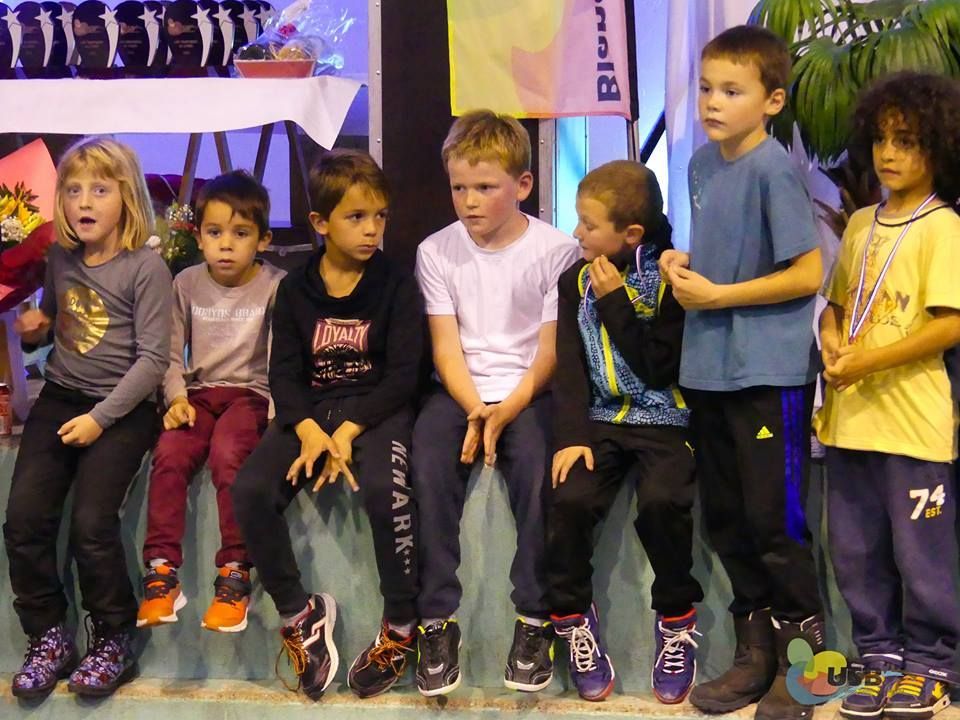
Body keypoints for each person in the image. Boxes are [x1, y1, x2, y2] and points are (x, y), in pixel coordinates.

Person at [660, 25, 825, 720]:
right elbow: (718, 257)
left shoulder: (773, 169)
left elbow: (808, 273)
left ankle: (807, 668)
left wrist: (721, 296)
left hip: (767, 373)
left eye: (732, 91)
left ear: (772, 101)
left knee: (775, 522)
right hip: (708, 370)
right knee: (727, 521)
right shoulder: (700, 164)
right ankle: (755, 656)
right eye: (706, 88)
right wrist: (681, 264)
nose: (712, 102)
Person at [231, 149, 423, 700]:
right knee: (250, 490)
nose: (371, 230)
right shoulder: (295, 289)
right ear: (320, 222)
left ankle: (401, 626)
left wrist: (350, 428)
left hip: (376, 410)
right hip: (311, 414)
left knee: (387, 492)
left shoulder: (396, 283)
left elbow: (405, 375)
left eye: (379, 216)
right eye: (356, 217)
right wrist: (309, 429)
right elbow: (283, 372)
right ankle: (300, 616)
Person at [412, 109, 579, 696]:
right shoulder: (436, 251)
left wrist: (507, 408)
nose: (470, 201)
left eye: (485, 187)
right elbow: (446, 348)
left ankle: (534, 619)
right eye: (459, 188)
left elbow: (550, 352)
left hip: (528, 391)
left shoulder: (558, 250)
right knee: (426, 466)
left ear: (522, 185)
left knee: (538, 470)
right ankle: (436, 621)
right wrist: (475, 409)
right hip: (460, 393)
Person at [814, 71, 960, 720]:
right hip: (850, 423)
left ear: (940, 147)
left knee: (921, 556)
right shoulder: (859, 224)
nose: (888, 153)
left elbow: (950, 323)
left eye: (906, 140)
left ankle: (934, 663)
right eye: (880, 138)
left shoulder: (943, 227)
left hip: (914, 427)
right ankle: (880, 657)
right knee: (856, 553)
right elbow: (836, 304)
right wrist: (832, 341)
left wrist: (867, 360)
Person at [4, 137, 171, 698]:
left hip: (123, 408)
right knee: (24, 519)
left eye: (100, 190)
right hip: (61, 396)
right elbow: (58, 321)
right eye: (73, 190)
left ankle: (113, 636)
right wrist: (38, 329)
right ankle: (48, 634)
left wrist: (101, 419)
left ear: (127, 199)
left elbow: (153, 360)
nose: (84, 201)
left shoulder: (145, 267)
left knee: (92, 525)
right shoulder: (60, 258)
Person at [547, 160, 704, 703]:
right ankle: (572, 618)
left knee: (663, 502)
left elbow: (658, 368)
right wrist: (571, 435)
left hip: (667, 420)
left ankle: (676, 620)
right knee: (568, 499)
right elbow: (569, 365)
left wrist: (616, 302)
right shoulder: (574, 281)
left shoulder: (671, 278)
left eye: (589, 225)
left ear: (630, 234)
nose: (577, 233)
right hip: (600, 422)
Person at [136, 170, 284, 633]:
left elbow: (283, 356)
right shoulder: (185, 283)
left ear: (263, 240)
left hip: (250, 395)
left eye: (240, 234)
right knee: (170, 453)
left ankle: (235, 574)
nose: (226, 245)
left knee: (229, 453)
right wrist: (175, 398)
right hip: (198, 395)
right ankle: (161, 572)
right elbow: (168, 351)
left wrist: (278, 419)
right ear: (198, 237)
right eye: (215, 233)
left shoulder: (276, 285)